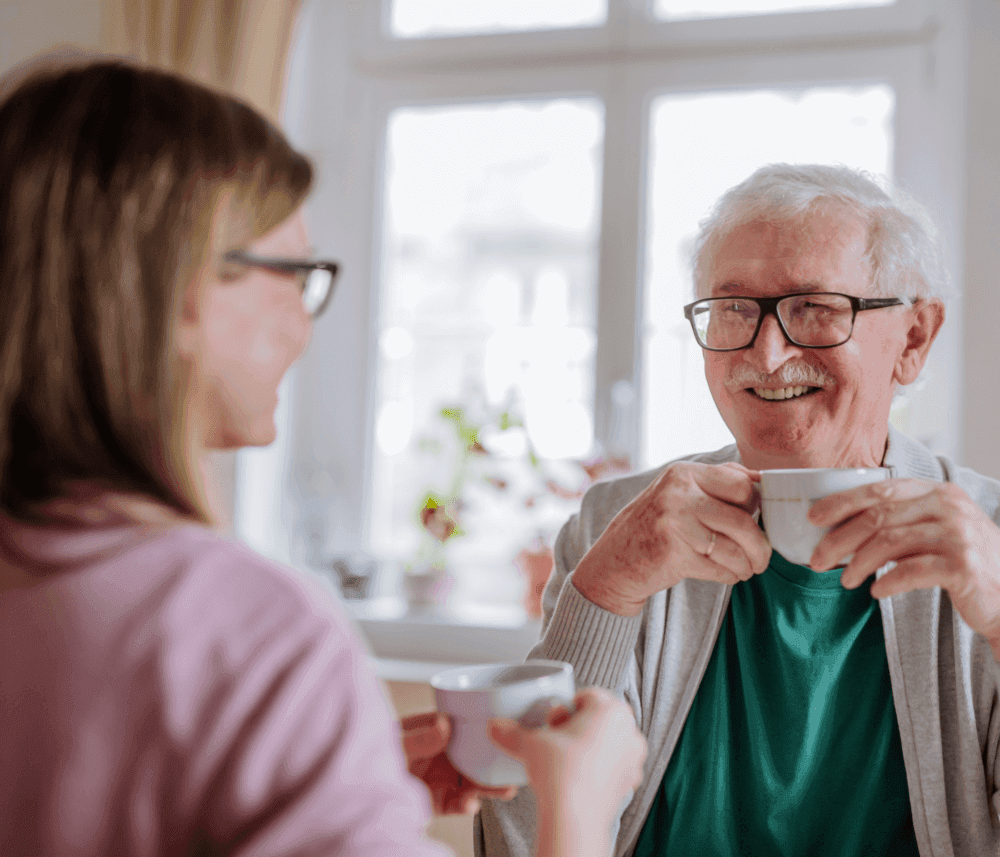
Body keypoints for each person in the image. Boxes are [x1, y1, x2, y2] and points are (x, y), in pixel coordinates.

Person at [0, 59, 646, 857]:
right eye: (293, 274)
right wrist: (578, 807)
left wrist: (340, 783)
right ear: (176, 293)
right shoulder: (245, 633)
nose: (304, 326)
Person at [478, 163, 1000, 857]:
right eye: (734, 310)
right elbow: (518, 845)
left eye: (815, 307)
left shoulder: (986, 541)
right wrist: (602, 594)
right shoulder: (622, 522)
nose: (769, 352)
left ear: (912, 339)